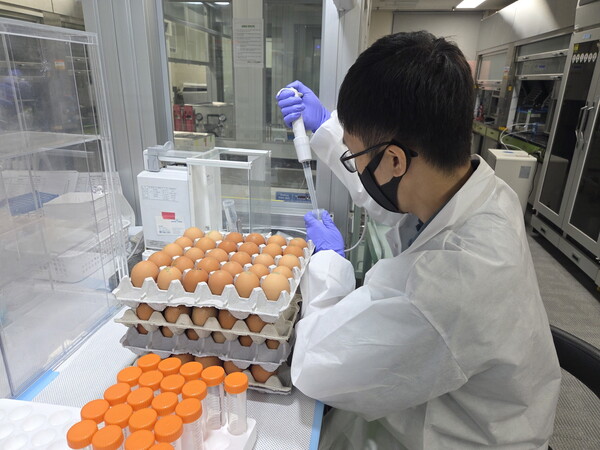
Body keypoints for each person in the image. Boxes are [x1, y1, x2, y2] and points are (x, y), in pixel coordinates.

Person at [276, 31, 561, 449]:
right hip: (468, 398)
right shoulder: (484, 193)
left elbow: (317, 368)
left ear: (394, 159)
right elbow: (402, 207)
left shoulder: (443, 289)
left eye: (353, 157)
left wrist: (329, 265)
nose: (355, 168)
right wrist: (329, 129)